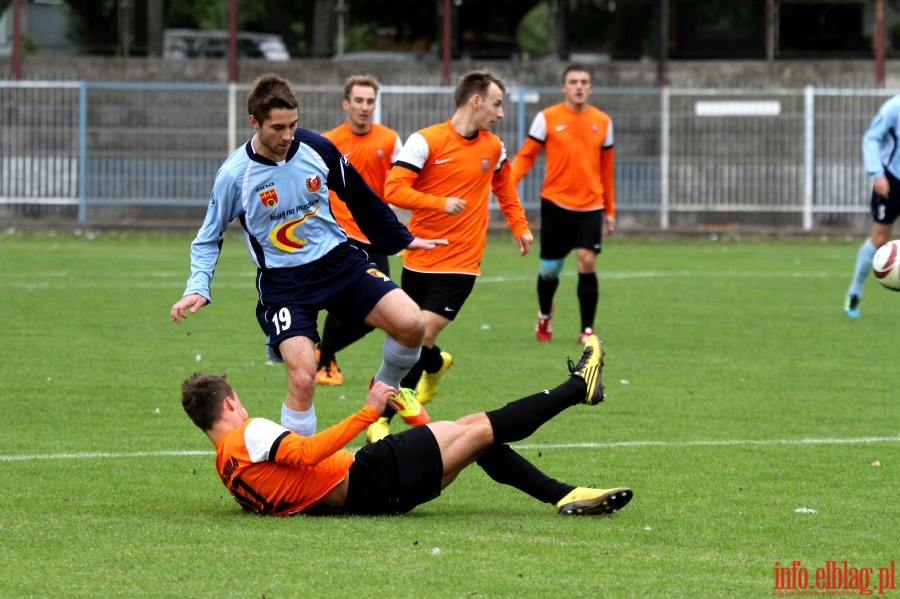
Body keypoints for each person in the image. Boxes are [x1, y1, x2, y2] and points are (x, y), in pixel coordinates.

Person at [170, 73, 448, 438]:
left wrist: (401, 238)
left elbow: (361, 197)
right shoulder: (235, 175)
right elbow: (208, 237)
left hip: (340, 263)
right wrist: (198, 285)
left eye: (294, 125)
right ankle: (300, 477)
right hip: (285, 284)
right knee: (303, 378)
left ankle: (386, 389)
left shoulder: (318, 148)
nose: (288, 136)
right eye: (278, 128)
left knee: (413, 324)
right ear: (254, 122)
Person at [180, 334, 633, 517]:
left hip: (372, 493)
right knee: (481, 427)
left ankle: (562, 494)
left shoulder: (227, 468)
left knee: (477, 435)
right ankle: (579, 386)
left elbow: (296, 479)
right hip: (373, 476)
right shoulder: (249, 431)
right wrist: (369, 412)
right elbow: (302, 454)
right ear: (231, 403)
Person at [378, 69, 534, 442]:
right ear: (475, 101)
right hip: (419, 256)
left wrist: (520, 225)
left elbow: (504, 187)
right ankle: (435, 364)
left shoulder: (494, 147)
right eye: (496, 104)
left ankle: (382, 418)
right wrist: (439, 203)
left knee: (418, 334)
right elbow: (393, 189)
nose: (500, 114)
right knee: (409, 334)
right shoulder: (425, 141)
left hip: (463, 262)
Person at [510, 63, 615, 344]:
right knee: (549, 271)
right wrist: (507, 183)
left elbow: (607, 170)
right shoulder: (547, 118)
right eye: (573, 81)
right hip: (556, 204)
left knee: (587, 261)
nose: (579, 86)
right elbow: (526, 155)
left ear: (590, 87)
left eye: (584, 81)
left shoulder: (603, 122)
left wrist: (610, 210)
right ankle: (544, 314)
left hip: (591, 206)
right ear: (564, 87)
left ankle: (587, 330)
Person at [315, 74, 404, 385]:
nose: (365, 107)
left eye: (370, 101)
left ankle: (322, 353)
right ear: (346, 103)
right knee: (344, 300)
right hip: (340, 236)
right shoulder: (328, 143)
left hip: (375, 234)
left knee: (378, 307)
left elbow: (402, 183)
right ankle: (325, 362)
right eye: (359, 101)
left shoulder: (390, 140)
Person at [843, 94, 900, 318]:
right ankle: (854, 292)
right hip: (891, 181)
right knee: (879, 240)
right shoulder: (894, 107)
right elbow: (871, 138)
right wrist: (877, 174)